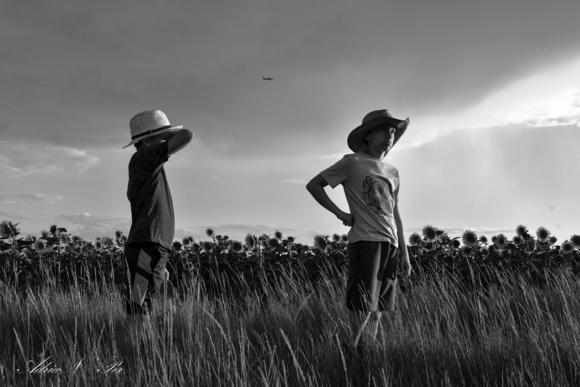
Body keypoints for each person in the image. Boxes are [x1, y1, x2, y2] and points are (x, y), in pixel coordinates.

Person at [306, 109, 412, 348]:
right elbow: (314, 185)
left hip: (390, 244)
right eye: (383, 130)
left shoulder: (393, 172)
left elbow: (395, 212)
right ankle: (349, 358)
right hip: (366, 241)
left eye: (393, 131)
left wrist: (405, 252)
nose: (390, 135)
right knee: (362, 308)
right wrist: (340, 213)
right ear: (367, 135)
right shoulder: (352, 162)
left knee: (378, 311)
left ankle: (367, 360)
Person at [122, 109, 193, 327]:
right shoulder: (144, 157)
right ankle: (136, 354)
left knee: (156, 300)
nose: (167, 141)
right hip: (149, 243)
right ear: (148, 140)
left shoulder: (145, 163)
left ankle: (158, 348)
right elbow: (187, 135)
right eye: (163, 136)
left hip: (153, 245)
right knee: (139, 303)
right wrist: (170, 134)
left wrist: (161, 135)